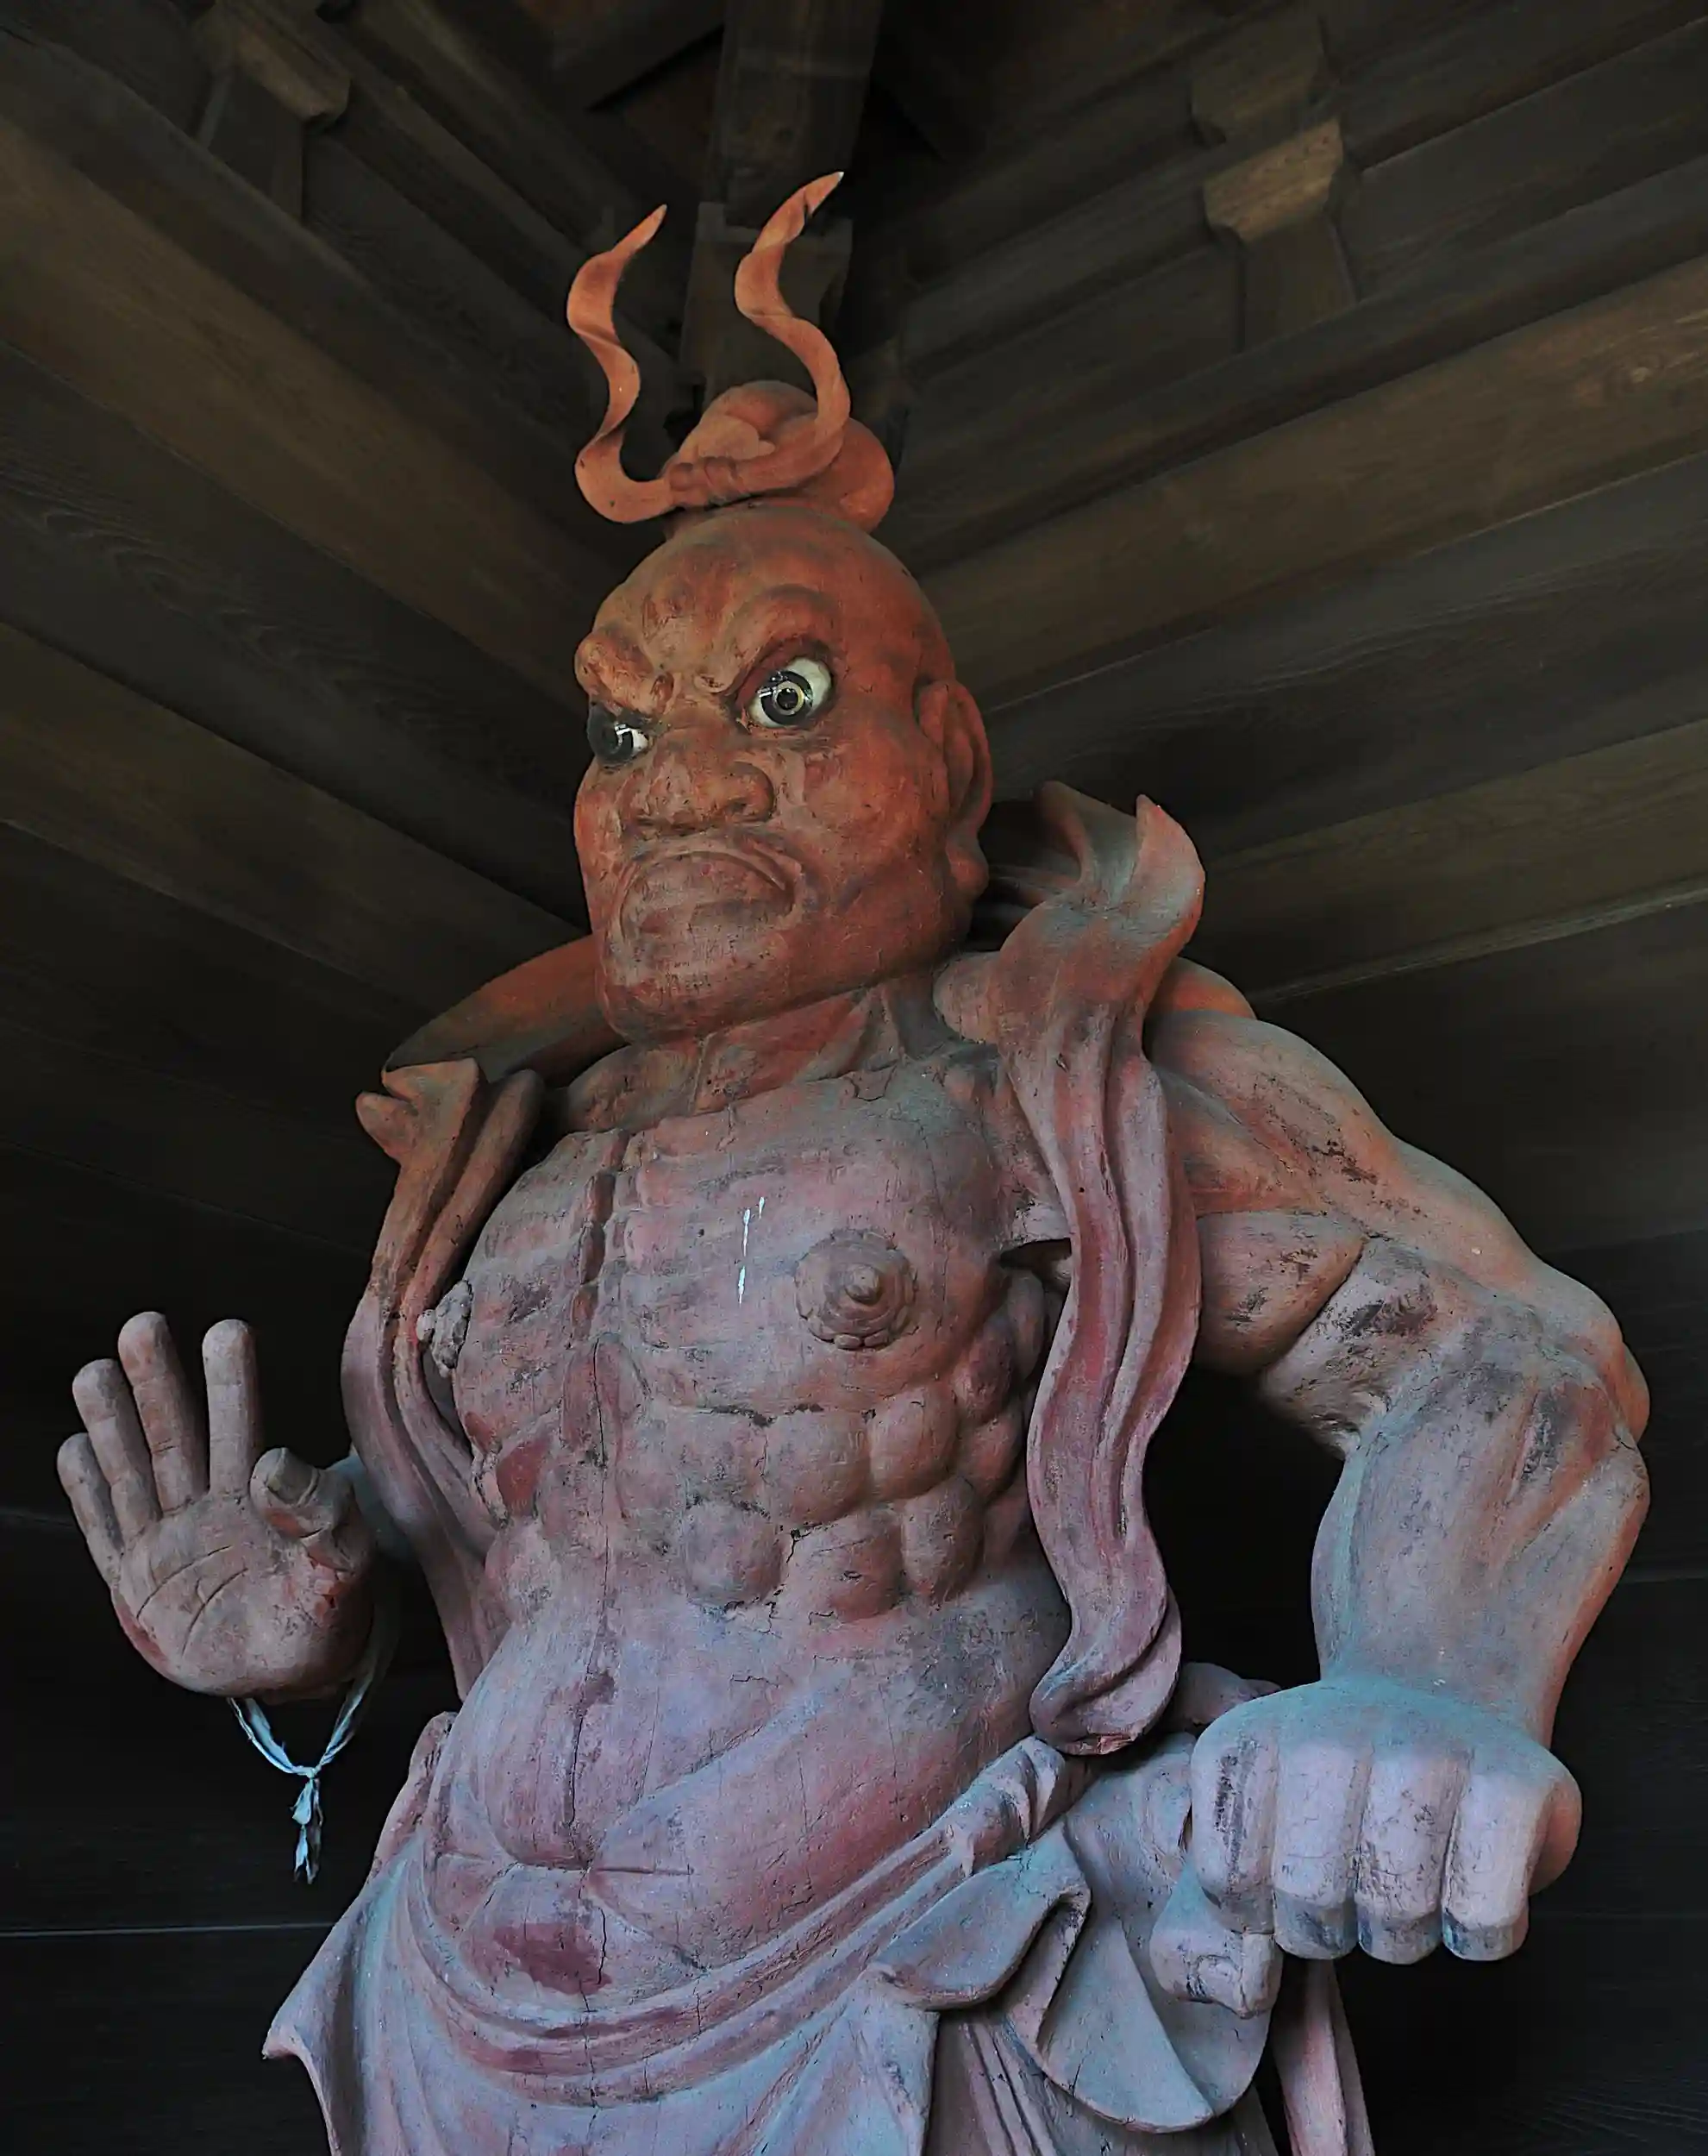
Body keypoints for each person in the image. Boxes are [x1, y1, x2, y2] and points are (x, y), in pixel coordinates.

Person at [59, 179, 1648, 2156]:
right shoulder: (511, 1157)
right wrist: (319, 1609)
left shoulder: (1051, 1071)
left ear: (951, 758)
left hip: (926, 1963)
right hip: (465, 1996)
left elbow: (1498, 1355)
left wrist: (1428, 1681)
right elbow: (550, 1535)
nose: (680, 785)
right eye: (620, 730)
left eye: (783, 698)